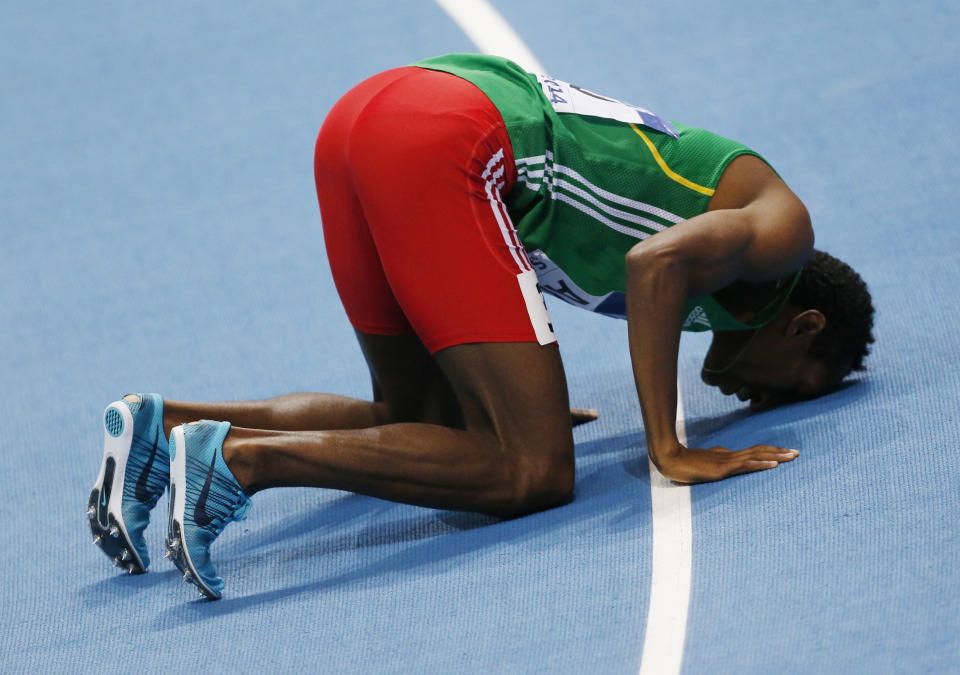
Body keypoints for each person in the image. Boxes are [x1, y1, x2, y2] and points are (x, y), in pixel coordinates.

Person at [86, 54, 874, 599]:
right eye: (782, 389)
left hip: (369, 120)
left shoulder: (731, 284)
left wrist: (508, 395)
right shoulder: (783, 235)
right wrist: (668, 446)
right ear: (805, 326)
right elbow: (654, 267)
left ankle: (172, 428)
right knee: (535, 471)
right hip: (451, 136)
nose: (750, 395)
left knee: (421, 419)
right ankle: (243, 466)